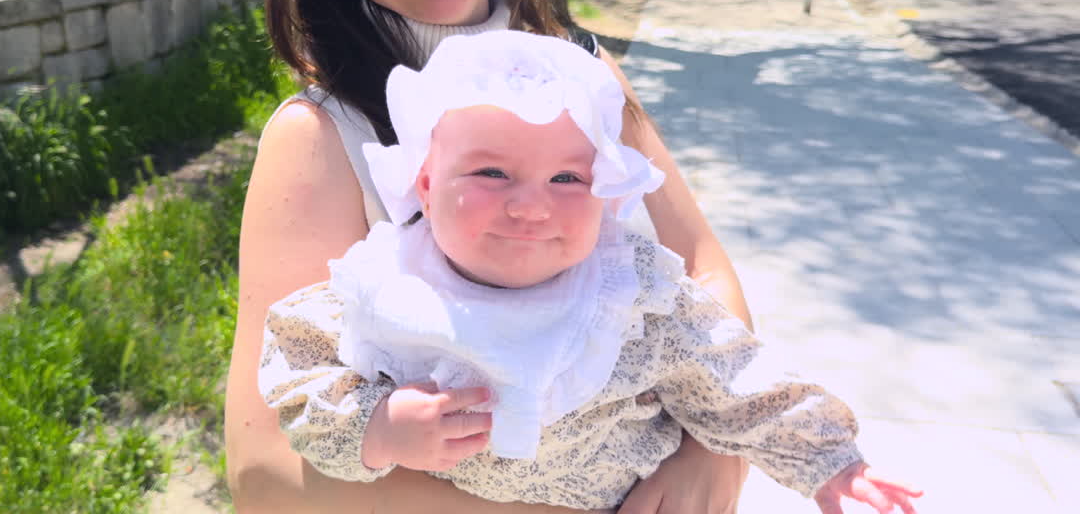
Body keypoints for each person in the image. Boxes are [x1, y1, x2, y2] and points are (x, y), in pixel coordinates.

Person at [226, 0, 757, 511]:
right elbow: (265, 471)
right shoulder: (320, 138)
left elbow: (697, 263)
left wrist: (718, 453)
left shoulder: (583, 69)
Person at [257, 31, 922, 514]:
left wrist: (829, 462)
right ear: (425, 184)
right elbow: (295, 376)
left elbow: (736, 381)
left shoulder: (630, 298)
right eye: (492, 172)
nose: (531, 204)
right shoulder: (389, 285)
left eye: (568, 178)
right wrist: (377, 428)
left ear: (607, 197)